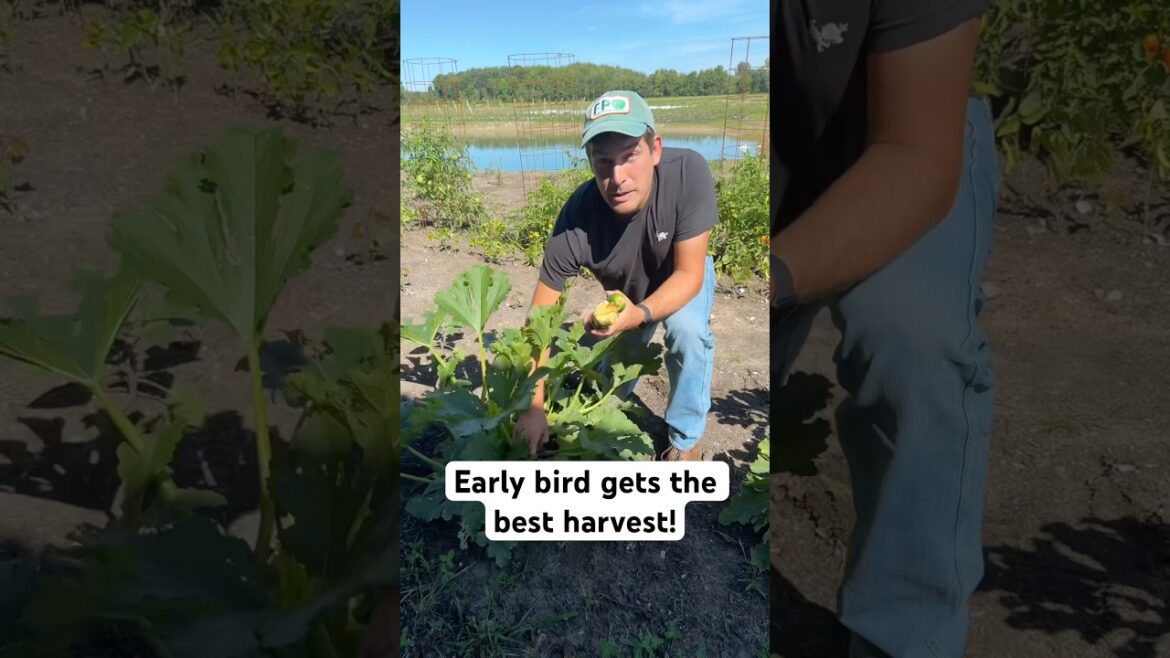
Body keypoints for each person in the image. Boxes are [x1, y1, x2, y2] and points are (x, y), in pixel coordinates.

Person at [770, 2, 999, 657]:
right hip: (772, 159)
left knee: (915, 340)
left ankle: (904, 634)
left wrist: (775, 284)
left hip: (898, 136)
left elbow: (915, 156)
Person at [513, 90, 719, 462]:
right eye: (603, 162)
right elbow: (538, 322)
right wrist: (535, 405)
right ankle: (609, 404)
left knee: (688, 334)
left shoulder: (688, 172)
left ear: (654, 149)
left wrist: (639, 315)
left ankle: (687, 438)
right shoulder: (576, 218)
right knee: (610, 389)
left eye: (630, 157)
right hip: (627, 289)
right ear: (590, 161)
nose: (617, 177)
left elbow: (690, 274)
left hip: (681, 270)